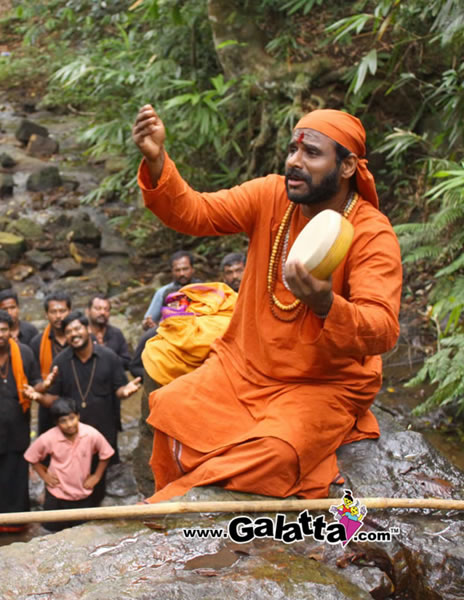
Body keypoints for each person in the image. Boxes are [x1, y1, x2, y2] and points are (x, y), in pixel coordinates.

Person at [132, 104, 402, 502]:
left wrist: (327, 304)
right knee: (170, 409)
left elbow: (382, 329)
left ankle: (184, 496)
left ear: (346, 168)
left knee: (274, 452)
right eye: (293, 149)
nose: (294, 161)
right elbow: (196, 212)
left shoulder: (371, 233)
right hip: (244, 366)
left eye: (311, 154)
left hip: (321, 383)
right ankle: (194, 490)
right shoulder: (271, 195)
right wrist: (157, 161)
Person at [0, 310, 55, 532]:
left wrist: (41, 387)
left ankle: (17, 524)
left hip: (18, 427)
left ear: (10, 330)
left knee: (16, 475)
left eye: (4, 330)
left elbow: (35, 381)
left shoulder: (24, 353)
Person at [42, 312, 141, 503]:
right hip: (71, 437)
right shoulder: (61, 362)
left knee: (103, 484)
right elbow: (53, 398)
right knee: (73, 486)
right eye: (69, 331)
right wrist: (39, 395)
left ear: (88, 329)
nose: (74, 334)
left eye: (78, 328)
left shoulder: (109, 357)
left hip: (103, 432)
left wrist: (125, 392)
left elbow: (118, 389)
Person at [24, 397, 114, 531]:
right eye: (63, 421)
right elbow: (31, 456)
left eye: (72, 418)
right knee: (51, 531)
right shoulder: (49, 438)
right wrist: (44, 476)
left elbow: (106, 453)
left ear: (78, 416)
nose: (69, 424)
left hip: (82, 493)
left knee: (83, 532)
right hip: (56, 494)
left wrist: (96, 476)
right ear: (56, 423)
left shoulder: (90, 434)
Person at [29, 291, 71, 436]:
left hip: (77, 402)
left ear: (69, 311)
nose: (58, 316)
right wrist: (44, 384)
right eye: (53, 312)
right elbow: (33, 378)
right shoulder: (37, 343)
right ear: (46, 314)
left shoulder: (80, 339)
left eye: (62, 311)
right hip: (48, 405)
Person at [142, 250, 197, 330]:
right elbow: (146, 322)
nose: (182, 273)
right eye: (177, 270)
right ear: (172, 271)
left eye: (185, 269)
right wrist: (148, 323)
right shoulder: (163, 292)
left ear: (192, 269)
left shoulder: (203, 289)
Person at [85, 294, 131, 370]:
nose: (102, 312)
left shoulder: (116, 334)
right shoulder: (82, 334)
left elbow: (127, 363)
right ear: (88, 311)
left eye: (106, 309)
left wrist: (105, 353)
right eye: (98, 308)